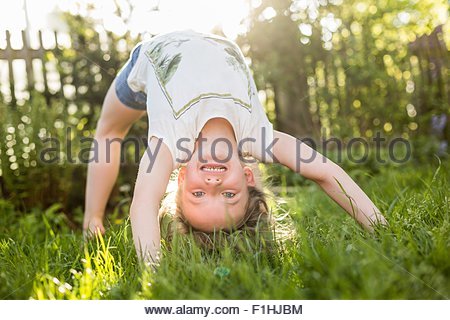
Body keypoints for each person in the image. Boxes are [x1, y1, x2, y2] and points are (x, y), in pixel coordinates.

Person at [83, 30, 387, 264]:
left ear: (182, 179)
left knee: (108, 132)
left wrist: (153, 274)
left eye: (198, 194)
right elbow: (324, 172)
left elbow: (144, 205)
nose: (213, 183)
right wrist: (381, 229)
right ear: (248, 177)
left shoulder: (168, 144)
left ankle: (91, 219)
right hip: (215, 42)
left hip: (147, 61)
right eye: (229, 194)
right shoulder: (259, 137)